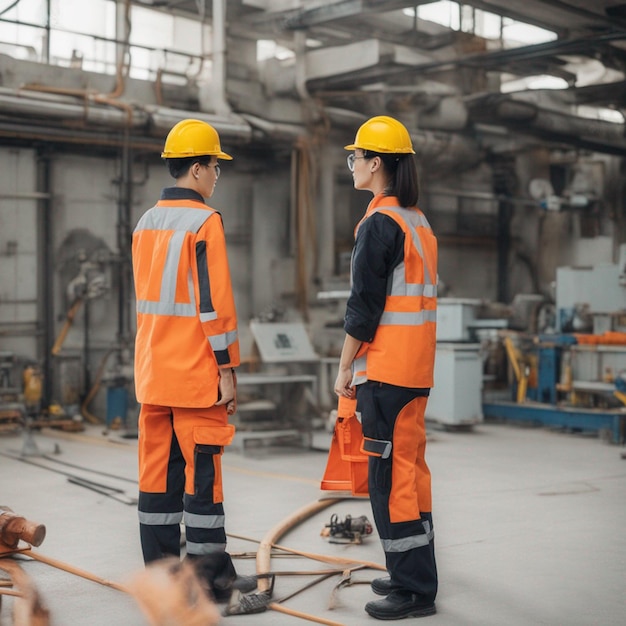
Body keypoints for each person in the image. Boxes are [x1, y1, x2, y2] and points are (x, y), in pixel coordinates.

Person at [132, 118, 249, 600]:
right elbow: (213, 305)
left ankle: (161, 577)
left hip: (154, 374)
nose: (217, 174)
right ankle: (208, 581)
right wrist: (227, 369)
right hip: (196, 376)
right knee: (203, 483)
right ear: (197, 168)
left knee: (157, 478)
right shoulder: (204, 222)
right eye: (215, 166)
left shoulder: (146, 223)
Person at [334, 115, 438, 620]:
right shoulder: (417, 221)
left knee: (390, 481)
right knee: (412, 475)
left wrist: (344, 367)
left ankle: (414, 590)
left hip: (387, 372)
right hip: (414, 371)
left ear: (376, 164)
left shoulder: (380, 223)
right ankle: (410, 574)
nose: (352, 164)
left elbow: (363, 308)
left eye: (356, 157)